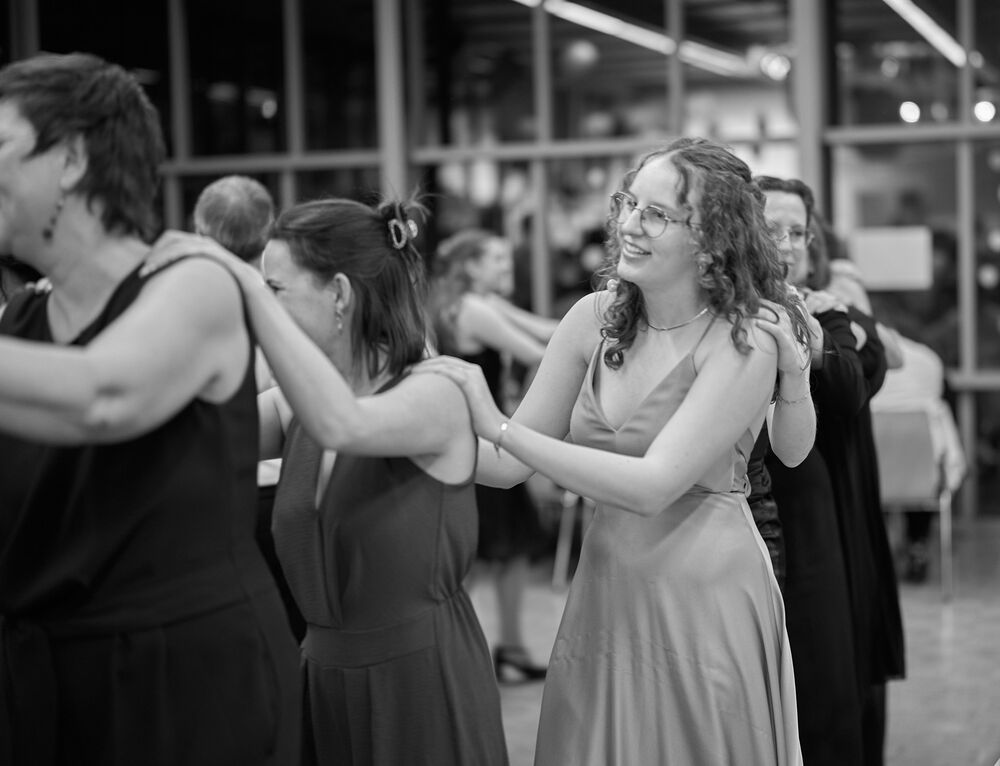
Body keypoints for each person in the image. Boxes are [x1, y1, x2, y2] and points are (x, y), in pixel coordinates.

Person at [419, 137, 806, 764]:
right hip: (606, 585)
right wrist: (403, 431)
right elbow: (507, 467)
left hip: (703, 593)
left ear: (711, 239)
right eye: (629, 203)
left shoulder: (745, 338)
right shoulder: (592, 319)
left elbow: (653, 485)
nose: (628, 225)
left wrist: (497, 426)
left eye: (656, 214)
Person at [0, 53, 300, 765]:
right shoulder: (23, 321)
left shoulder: (192, 285)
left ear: (72, 159)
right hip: (50, 685)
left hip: (181, 686)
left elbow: (102, 396)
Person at [145, 196, 509, 765]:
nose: (263, 305)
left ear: (338, 294)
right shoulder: (297, 404)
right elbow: (190, 434)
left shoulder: (433, 393)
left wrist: (238, 287)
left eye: (275, 289)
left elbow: (345, 425)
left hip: (418, 685)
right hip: (321, 681)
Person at [757, 175, 873, 765]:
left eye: (797, 231)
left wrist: (813, 328)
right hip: (728, 509)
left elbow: (854, 386)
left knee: (820, 671)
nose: (787, 243)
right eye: (772, 228)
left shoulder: (826, 312)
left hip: (807, 508)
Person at [428, 228, 557, 680]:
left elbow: (547, 330)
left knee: (501, 551)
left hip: (474, 438)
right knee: (485, 554)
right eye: (496, 259)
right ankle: (462, 656)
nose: (507, 266)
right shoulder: (473, 309)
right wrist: (528, 415)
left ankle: (503, 651)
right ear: (470, 266)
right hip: (480, 441)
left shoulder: (476, 303)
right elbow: (540, 350)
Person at [192, 174, 305, 641]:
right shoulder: (291, 296)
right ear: (269, 227)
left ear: (199, 230)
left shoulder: (184, 303)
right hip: (288, 484)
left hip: (217, 479)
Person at [869, 334, 966, 582]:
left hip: (874, 480)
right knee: (925, 471)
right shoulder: (929, 362)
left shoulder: (863, 359)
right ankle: (917, 545)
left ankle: (880, 551)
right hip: (921, 479)